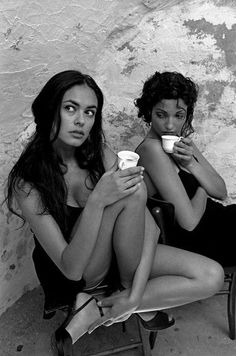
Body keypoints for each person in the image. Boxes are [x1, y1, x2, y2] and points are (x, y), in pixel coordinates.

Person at [6, 70, 224, 356]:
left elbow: (151, 228)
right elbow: (70, 268)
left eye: (90, 112)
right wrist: (98, 200)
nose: (81, 120)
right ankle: (111, 299)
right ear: (50, 110)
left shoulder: (101, 152)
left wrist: (134, 297)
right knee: (131, 191)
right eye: (70, 108)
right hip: (77, 271)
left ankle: (102, 306)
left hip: (121, 256)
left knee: (211, 275)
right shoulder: (28, 182)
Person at [135, 71, 236, 268]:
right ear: (149, 111)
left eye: (179, 116)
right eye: (161, 115)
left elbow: (221, 192)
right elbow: (188, 223)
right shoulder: (151, 149)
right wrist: (202, 189)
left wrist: (191, 164)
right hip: (198, 241)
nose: (170, 125)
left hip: (218, 222)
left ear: (187, 114)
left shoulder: (182, 143)